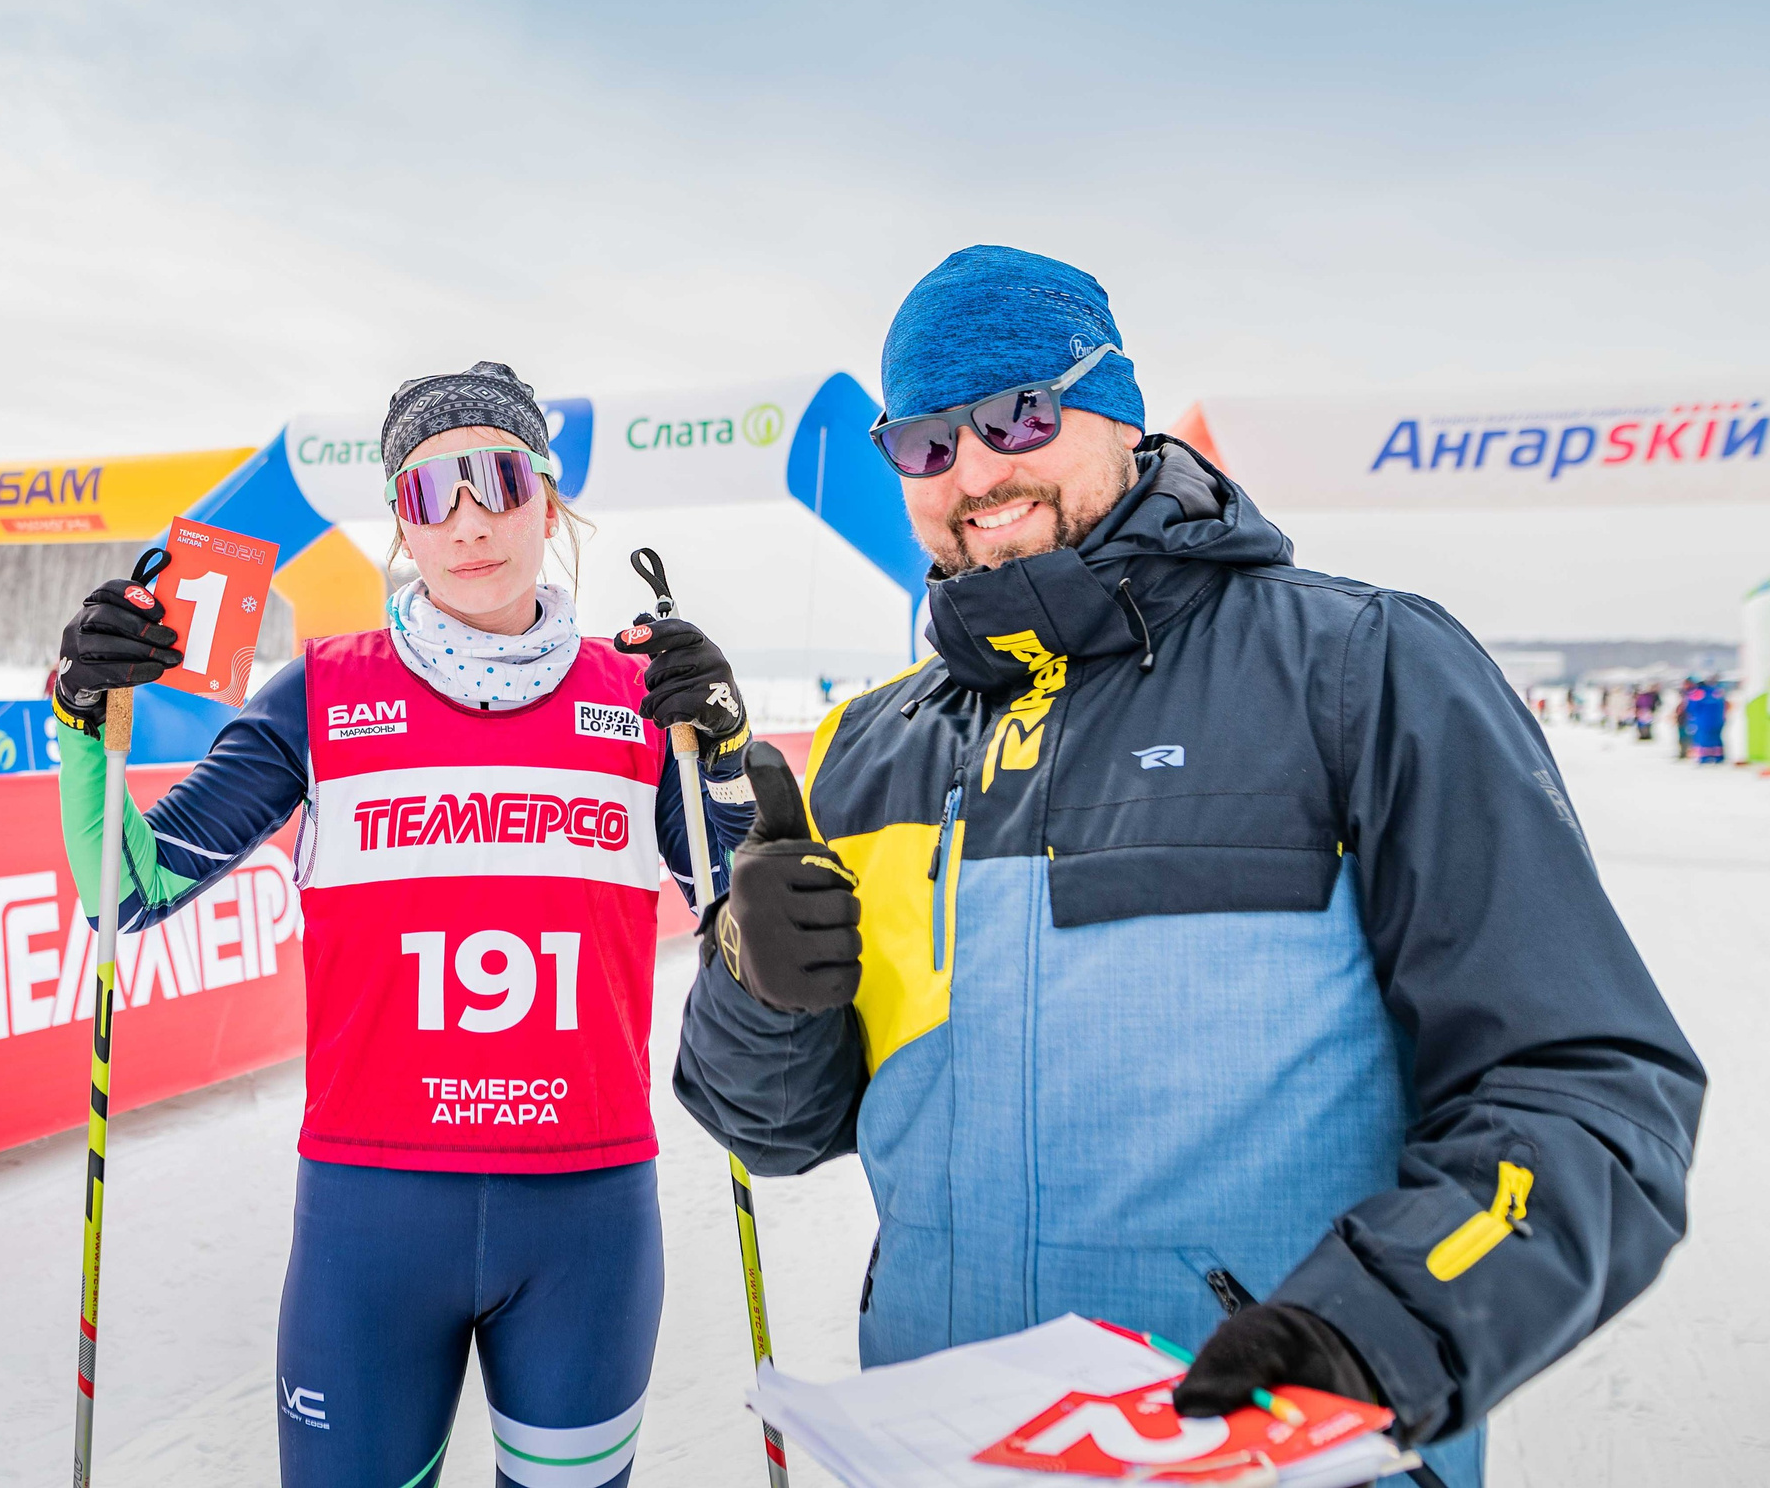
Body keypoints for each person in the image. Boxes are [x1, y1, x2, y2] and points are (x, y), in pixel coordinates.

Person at [673, 246, 1705, 1488]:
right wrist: (755, 978)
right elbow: (769, 1128)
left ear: (1116, 407)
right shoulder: (868, 746)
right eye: (927, 443)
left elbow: (1585, 1084)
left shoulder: (1362, 668)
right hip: (952, 1451)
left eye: (1016, 414)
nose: (978, 471)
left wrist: (1380, 1324)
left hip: (1276, 1449)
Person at [51, 361, 753, 1488]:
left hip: (587, 1221)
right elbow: (125, 891)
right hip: (370, 1223)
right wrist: (87, 723)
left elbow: (742, 915)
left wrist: (719, 751)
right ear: (400, 527)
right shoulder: (318, 696)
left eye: (498, 481)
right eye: (432, 494)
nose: (470, 521)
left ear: (548, 500)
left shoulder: (636, 696)